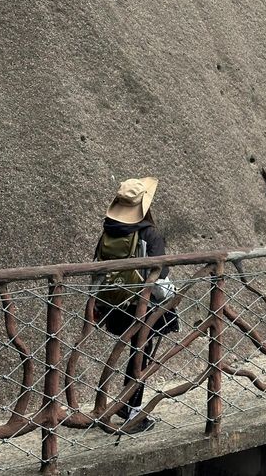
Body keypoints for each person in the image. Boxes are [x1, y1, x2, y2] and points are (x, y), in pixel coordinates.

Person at [94, 177, 177, 434]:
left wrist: (95, 304)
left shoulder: (109, 231)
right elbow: (160, 271)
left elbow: (97, 267)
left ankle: (124, 402)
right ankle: (134, 411)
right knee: (141, 352)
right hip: (142, 305)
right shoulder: (148, 232)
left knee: (134, 351)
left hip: (114, 303)